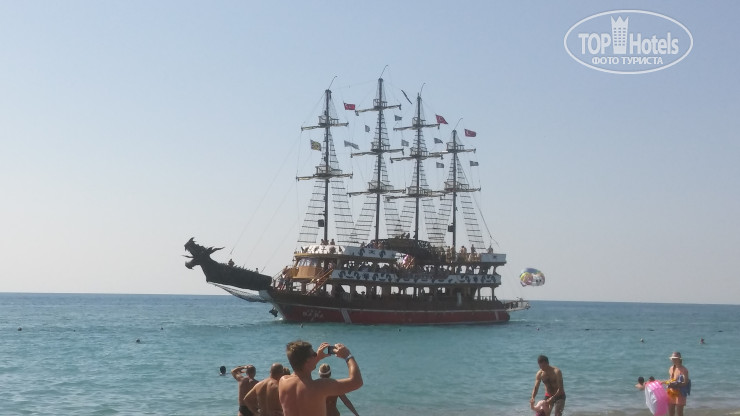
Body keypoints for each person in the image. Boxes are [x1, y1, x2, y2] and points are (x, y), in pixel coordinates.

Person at [279, 340, 363, 416]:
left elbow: (300, 370)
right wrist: (348, 356)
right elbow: (357, 382)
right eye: (314, 354)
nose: (316, 355)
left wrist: (317, 357)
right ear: (308, 360)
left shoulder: (283, 382)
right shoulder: (320, 387)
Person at [667, 351, 690, 416]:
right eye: (672, 359)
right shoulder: (671, 368)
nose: (673, 360)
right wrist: (668, 383)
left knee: (679, 413)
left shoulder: (684, 370)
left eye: (675, 358)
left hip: (680, 393)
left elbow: (685, 382)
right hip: (671, 392)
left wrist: (676, 384)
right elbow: (670, 379)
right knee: (671, 413)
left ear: (679, 359)